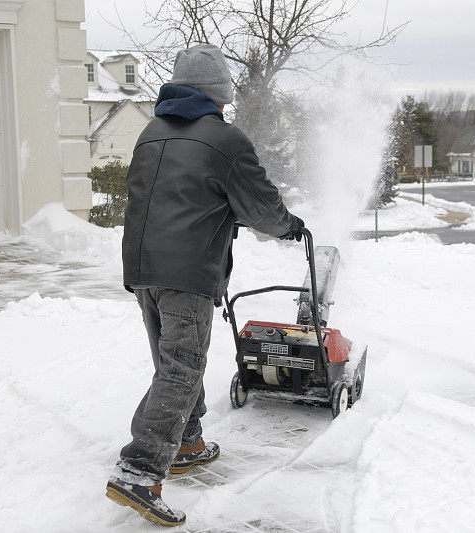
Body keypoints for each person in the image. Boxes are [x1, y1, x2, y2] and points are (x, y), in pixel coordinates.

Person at [105, 44, 304, 527]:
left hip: (142, 265)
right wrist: (290, 226)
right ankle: (140, 468)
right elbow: (260, 207)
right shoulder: (225, 140)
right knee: (182, 367)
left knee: (170, 360)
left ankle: (187, 440)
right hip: (186, 271)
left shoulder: (150, 133)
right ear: (220, 93)